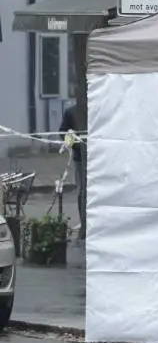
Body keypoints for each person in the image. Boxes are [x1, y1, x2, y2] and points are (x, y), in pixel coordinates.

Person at [59, 102, 85, 241]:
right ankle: (84, 225)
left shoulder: (96, 109)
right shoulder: (71, 112)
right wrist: (72, 144)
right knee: (82, 192)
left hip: (99, 158)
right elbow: (63, 132)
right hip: (80, 159)